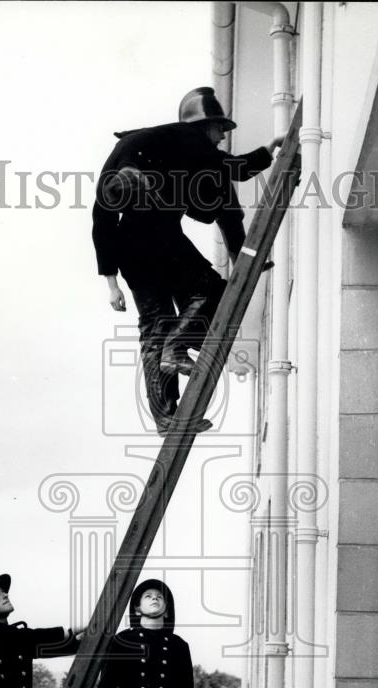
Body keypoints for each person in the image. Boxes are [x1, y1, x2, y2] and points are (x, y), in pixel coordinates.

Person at [92, 86, 284, 436]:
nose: (223, 136)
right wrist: (268, 151)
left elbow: (102, 216)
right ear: (202, 124)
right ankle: (177, 346)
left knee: (155, 327)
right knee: (210, 292)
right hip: (156, 238)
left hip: (131, 249)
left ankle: (165, 415)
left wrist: (111, 281)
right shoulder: (188, 140)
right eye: (220, 128)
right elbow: (234, 169)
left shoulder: (157, 148)